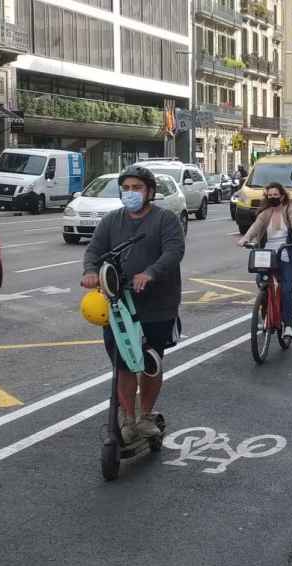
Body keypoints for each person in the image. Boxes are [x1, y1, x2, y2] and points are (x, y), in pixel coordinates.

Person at [81, 166, 185, 443]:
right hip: (119, 306)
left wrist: (150, 273)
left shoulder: (165, 219)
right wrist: (90, 271)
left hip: (157, 305)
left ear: (150, 191)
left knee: (151, 362)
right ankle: (128, 418)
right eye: (126, 188)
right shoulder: (111, 221)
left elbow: (174, 251)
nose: (131, 193)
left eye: (136, 188)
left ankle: (146, 416)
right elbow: (94, 251)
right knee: (124, 364)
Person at [237, 182, 292, 338]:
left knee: (286, 290)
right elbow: (256, 226)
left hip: (286, 252)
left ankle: (288, 325)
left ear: (282, 196)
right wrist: (245, 238)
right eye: (270, 195)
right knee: (262, 282)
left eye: (276, 195)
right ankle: (266, 316)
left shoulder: (289, 208)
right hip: (268, 254)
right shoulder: (266, 212)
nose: (273, 197)